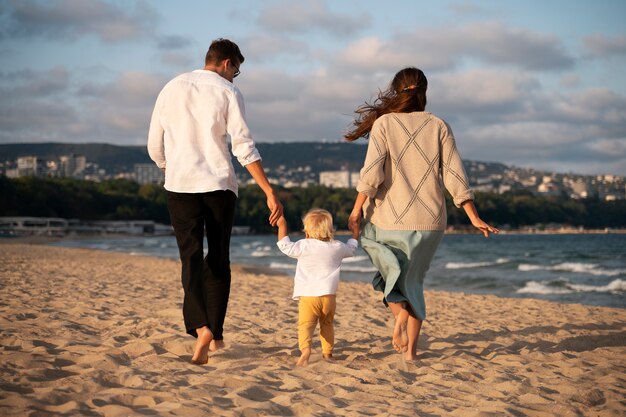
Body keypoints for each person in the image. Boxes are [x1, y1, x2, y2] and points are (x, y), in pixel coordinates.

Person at [345, 67, 499, 361]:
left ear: (395, 90)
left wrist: (355, 210)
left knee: (387, 276)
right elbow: (455, 174)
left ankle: (399, 312)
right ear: (424, 91)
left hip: (387, 219)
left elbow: (371, 174)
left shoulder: (385, 124)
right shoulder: (439, 125)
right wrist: (473, 216)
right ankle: (411, 354)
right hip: (430, 222)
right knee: (414, 281)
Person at [147, 38, 283, 365]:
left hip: (180, 185)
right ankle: (216, 332)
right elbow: (243, 147)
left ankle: (201, 327)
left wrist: (172, 168)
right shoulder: (228, 91)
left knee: (190, 257)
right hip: (219, 185)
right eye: (237, 69)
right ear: (225, 63)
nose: (236, 76)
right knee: (219, 257)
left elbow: (154, 145)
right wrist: (268, 190)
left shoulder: (171, 87)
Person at [276, 209, 359, 367]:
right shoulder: (337, 246)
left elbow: (284, 246)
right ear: (330, 229)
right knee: (327, 324)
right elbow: (352, 248)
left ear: (306, 231)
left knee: (306, 325)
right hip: (329, 296)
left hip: (308, 297)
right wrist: (355, 232)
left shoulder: (303, 245)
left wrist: (282, 226)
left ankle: (306, 350)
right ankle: (327, 354)